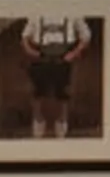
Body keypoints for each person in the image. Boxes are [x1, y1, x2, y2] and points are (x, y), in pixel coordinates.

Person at [11, 13, 96, 142]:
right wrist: (30, 51)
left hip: (64, 54)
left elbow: (86, 36)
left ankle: (62, 122)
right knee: (37, 91)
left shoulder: (74, 12)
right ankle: (38, 121)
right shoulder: (36, 12)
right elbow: (24, 37)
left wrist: (74, 53)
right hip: (40, 54)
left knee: (63, 92)